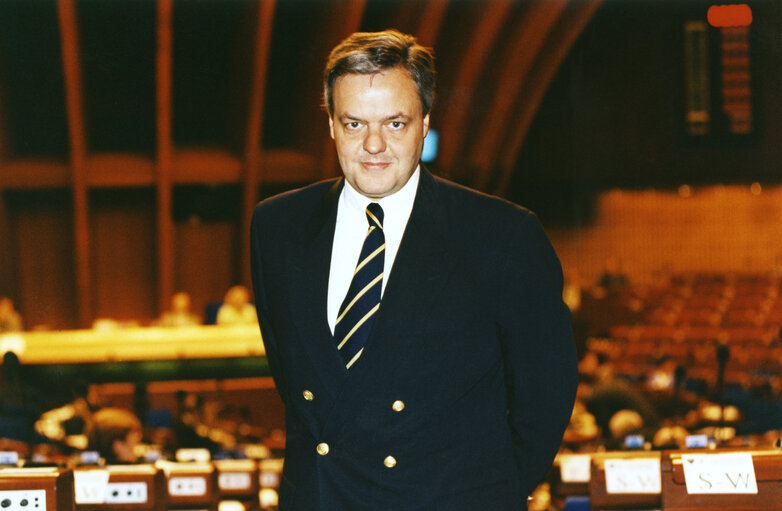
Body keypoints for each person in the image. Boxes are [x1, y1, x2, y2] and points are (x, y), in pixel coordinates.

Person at [249, 29, 577, 510]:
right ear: (331, 126)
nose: (374, 145)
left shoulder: (501, 234)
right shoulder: (277, 225)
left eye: (395, 123)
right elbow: (292, 373)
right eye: (355, 124)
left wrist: (488, 494)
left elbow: (545, 393)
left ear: (425, 123)